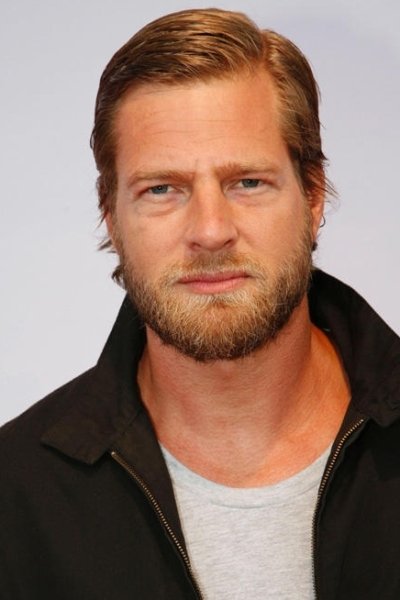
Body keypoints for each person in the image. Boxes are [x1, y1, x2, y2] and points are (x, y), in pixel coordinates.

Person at [1, 7, 399, 599]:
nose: (210, 231)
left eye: (248, 182)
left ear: (313, 196)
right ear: (111, 215)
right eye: (162, 189)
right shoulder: (16, 495)